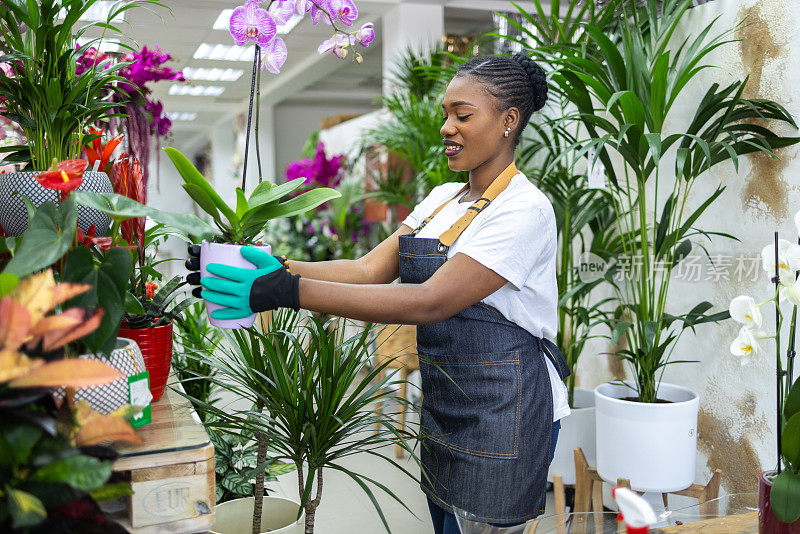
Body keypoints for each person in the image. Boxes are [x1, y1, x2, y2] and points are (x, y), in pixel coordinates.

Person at [186, 52, 570, 533]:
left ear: (509, 120)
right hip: (448, 401)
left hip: (505, 409)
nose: (447, 127)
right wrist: (283, 266)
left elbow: (431, 301)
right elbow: (369, 270)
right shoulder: (440, 200)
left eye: (463, 115)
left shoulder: (524, 210)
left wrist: (288, 291)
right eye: (446, 115)